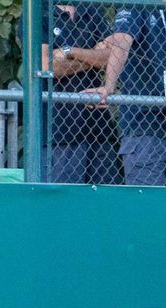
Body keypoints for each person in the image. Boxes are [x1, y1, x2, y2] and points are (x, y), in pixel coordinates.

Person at [89, 0, 166, 186]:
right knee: (149, 200)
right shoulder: (136, 3)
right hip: (142, 124)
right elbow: (122, 41)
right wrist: (109, 86)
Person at [46, 3, 117, 184]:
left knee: (105, 198)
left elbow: (113, 57)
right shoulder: (39, 12)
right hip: (59, 131)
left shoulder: (91, 9)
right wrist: (94, 55)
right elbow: (48, 67)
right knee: (64, 199)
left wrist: (69, 51)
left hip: (99, 128)